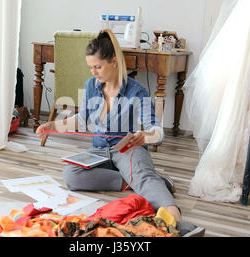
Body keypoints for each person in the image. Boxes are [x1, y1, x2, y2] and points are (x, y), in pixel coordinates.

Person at [36, 29, 204, 237]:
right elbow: (82, 120)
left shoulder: (137, 90)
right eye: (90, 67)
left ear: (114, 62)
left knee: (144, 178)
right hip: (99, 151)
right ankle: (135, 179)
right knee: (71, 175)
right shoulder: (91, 86)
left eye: (98, 67)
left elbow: (157, 130)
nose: (93, 73)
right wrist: (52, 126)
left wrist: (146, 136)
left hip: (128, 149)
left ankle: (178, 224)